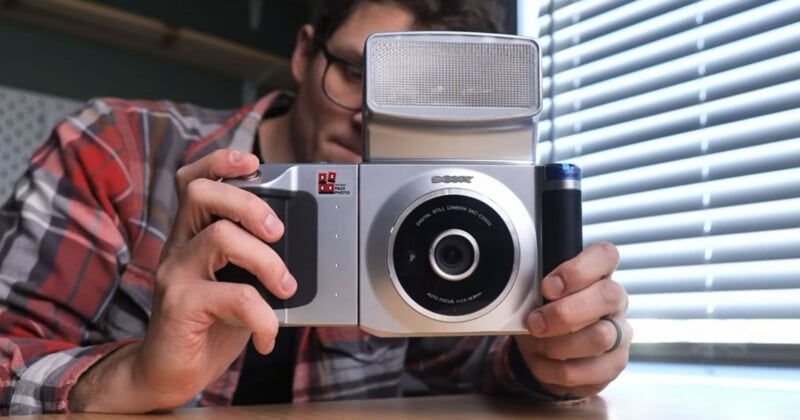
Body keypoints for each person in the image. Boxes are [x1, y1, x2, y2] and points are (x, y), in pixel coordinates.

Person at [0, 0, 631, 415]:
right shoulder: (119, 148)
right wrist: (134, 376)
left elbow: (467, 361)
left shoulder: (444, 206)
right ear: (304, 53)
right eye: (357, 73)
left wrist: (553, 350)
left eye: (415, 101)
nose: (368, 117)